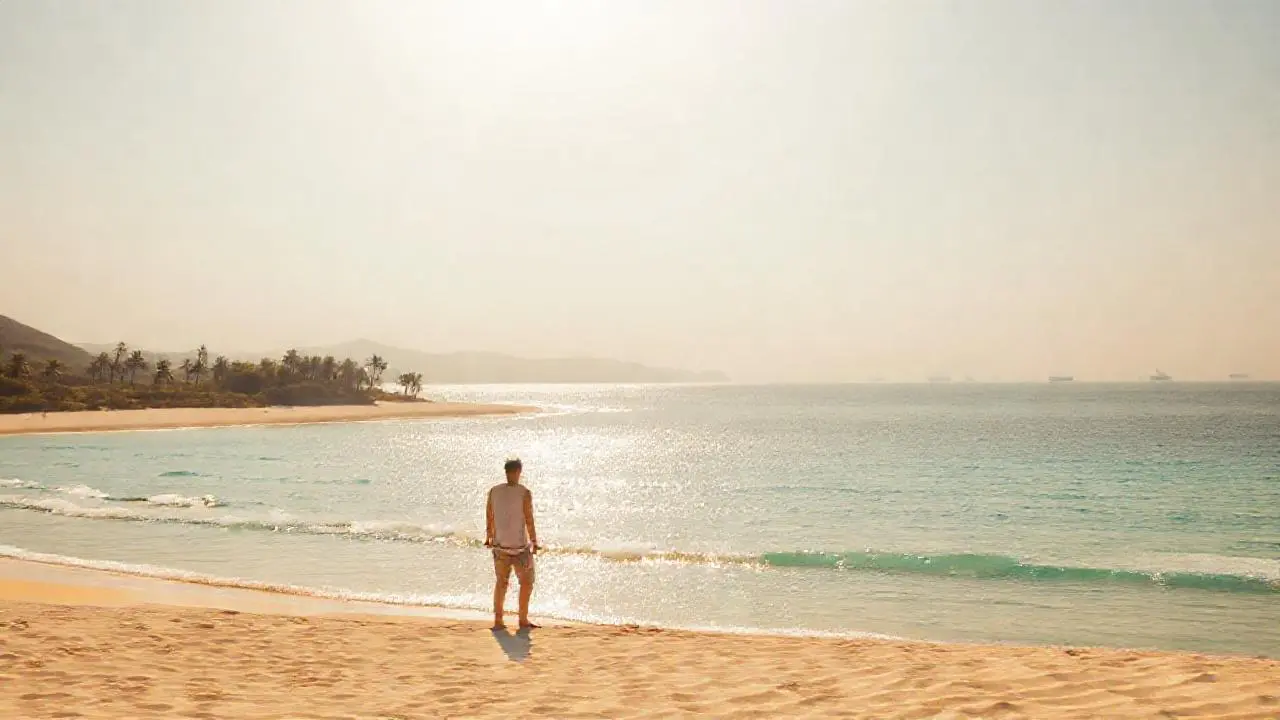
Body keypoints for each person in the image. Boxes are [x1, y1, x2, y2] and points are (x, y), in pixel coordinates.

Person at [485, 457, 538, 630]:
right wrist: (534, 541)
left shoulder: (493, 491)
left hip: (500, 546)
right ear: (518, 472)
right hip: (519, 547)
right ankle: (522, 619)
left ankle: (498, 621)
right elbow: (529, 519)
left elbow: (489, 516)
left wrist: (489, 536)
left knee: (501, 583)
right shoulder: (524, 492)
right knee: (527, 582)